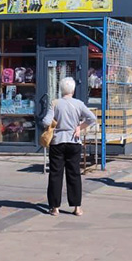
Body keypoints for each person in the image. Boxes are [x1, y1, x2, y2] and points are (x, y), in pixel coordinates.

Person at [41, 77, 97, 216]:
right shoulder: (78, 104)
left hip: (57, 141)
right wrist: (80, 127)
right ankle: (77, 207)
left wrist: (54, 124)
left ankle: (55, 207)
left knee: (55, 174)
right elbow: (92, 118)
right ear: (73, 90)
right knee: (74, 174)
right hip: (74, 141)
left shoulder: (55, 103)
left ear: (61, 90)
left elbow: (45, 121)